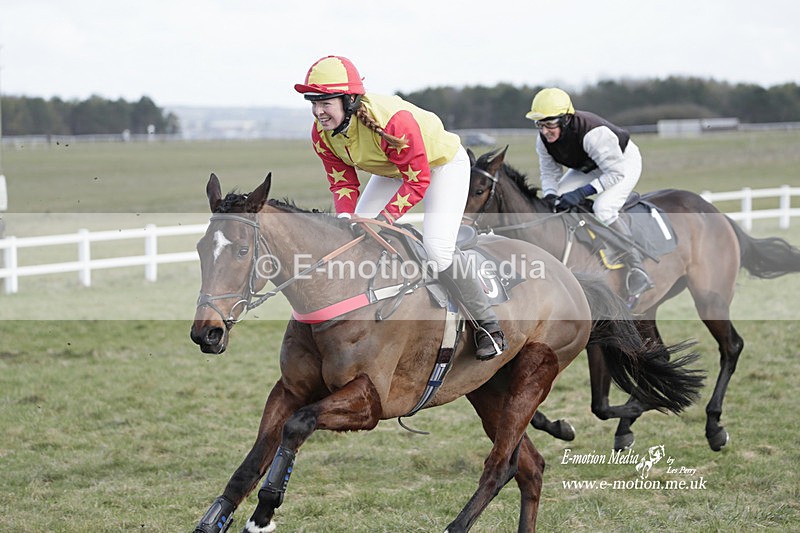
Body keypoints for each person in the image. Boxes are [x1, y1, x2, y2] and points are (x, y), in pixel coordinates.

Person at [294, 55, 506, 359]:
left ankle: (489, 326)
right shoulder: (321, 135)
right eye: (313, 102)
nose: (318, 111)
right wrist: (345, 218)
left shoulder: (394, 122)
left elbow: (418, 181)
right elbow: (343, 183)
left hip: (442, 166)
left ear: (350, 100)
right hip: (395, 170)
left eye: (325, 103)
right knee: (353, 235)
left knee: (436, 250)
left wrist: (385, 219)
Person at [525, 87, 654, 299]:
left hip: (621, 163)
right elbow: (549, 174)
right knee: (557, 202)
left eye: (550, 124)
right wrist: (550, 196)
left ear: (566, 120)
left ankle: (636, 265)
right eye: (540, 124)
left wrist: (582, 192)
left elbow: (615, 172)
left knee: (603, 208)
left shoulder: (594, 134)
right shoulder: (542, 141)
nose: (545, 131)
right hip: (590, 166)